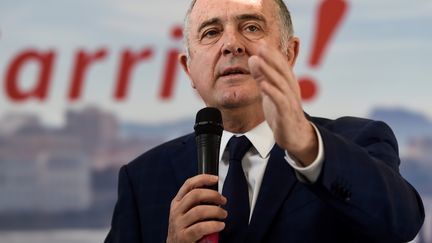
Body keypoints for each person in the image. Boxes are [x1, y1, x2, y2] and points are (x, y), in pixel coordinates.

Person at [105, 0, 425, 242]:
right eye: (212, 32)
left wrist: (306, 144)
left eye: (252, 27)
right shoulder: (142, 178)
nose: (232, 44)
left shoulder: (358, 141)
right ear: (189, 70)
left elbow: (401, 223)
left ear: (289, 53)